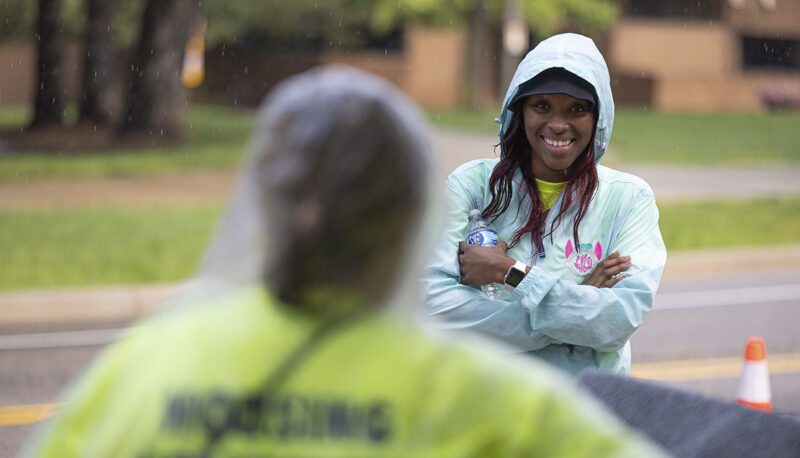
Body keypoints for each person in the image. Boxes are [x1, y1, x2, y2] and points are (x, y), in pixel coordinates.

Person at [26, 66, 666, 457]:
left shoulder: (147, 367)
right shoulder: (486, 397)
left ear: (266, 201)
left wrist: (510, 276)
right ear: (409, 219)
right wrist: (566, 306)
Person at [422, 33, 667, 376]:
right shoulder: (472, 186)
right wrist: (569, 322)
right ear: (519, 111)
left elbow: (617, 321)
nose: (558, 123)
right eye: (542, 106)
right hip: (486, 405)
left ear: (599, 118)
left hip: (585, 409)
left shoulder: (628, 199)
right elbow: (433, 306)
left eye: (577, 109)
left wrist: (510, 272)